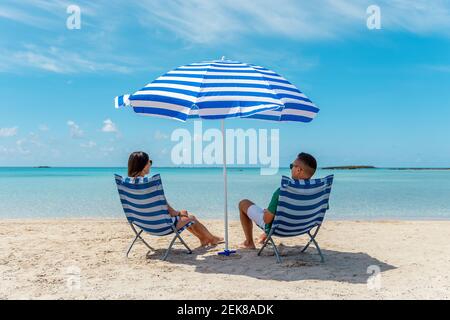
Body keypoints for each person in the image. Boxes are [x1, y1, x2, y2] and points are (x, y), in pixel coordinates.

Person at [128, 151, 223, 247]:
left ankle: (204, 238)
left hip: (144, 225)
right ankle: (212, 239)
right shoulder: (150, 185)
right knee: (190, 217)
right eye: (149, 162)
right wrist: (180, 213)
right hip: (162, 227)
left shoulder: (127, 185)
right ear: (143, 165)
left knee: (183, 215)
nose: (150, 165)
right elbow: (172, 213)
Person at [238, 152, 317, 249]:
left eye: (291, 166)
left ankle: (249, 242)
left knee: (243, 203)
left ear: (298, 170)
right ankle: (264, 236)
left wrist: (267, 212)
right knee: (277, 211)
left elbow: (266, 220)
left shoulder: (283, 191)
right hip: (303, 227)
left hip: (280, 229)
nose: (291, 168)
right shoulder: (318, 191)